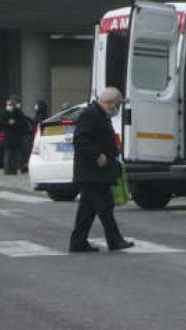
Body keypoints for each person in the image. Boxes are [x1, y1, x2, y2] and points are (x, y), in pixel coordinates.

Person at [69, 88, 134, 252]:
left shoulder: (99, 114)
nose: (117, 108)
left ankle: (78, 242)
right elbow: (80, 139)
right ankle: (114, 240)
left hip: (96, 172)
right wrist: (97, 154)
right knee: (105, 207)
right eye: (117, 104)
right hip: (93, 171)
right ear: (110, 102)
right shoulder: (91, 114)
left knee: (87, 210)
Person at [0, 95, 32, 175]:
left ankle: (16, 168)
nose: (9, 106)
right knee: (8, 153)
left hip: (16, 135)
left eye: (11, 105)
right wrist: (8, 123)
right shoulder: (4, 112)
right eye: (8, 105)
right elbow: (1, 123)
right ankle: (8, 170)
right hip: (8, 136)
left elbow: (22, 122)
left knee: (17, 153)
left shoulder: (18, 112)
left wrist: (15, 123)